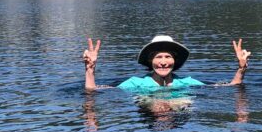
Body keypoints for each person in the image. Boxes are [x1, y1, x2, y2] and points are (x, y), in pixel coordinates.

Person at [83, 34, 249, 91]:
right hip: (150, 117)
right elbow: (93, 90)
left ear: (175, 60)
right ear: (150, 60)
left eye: (168, 57)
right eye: (158, 57)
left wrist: (241, 69)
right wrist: (90, 69)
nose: (163, 62)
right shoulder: (135, 83)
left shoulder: (187, 82)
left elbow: (231, 86)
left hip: (178, 116)